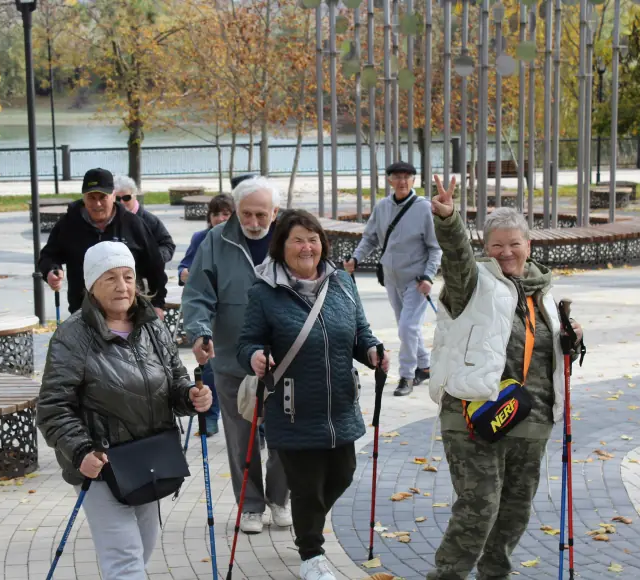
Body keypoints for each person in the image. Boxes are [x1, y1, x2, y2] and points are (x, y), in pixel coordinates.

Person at [426, 176, 583, 580]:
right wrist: (449, 220)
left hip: (531, 419)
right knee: (479, 509)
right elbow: (457, 258)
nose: (507, 252)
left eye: (515, 243)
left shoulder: (543, 293)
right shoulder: (474, 284)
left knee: (513, 514)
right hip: (474, 415)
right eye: (497, 245)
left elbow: (549, 351)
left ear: (529, 245)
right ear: (486, 249)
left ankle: (495, 575)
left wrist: (573, 339)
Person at [37, 241, 212, 580]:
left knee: (143, 548)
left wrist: (191, 396)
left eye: (128, 277)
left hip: (149, 458)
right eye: (110, 278)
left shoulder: (152, 326)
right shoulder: (72, 337)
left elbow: (174, 381)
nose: (122, 286)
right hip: (102, 464)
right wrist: (80, 451)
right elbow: (52, 407)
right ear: (91, 285)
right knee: (125, 560)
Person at [237, 209, 388, 580]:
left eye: (313, 238)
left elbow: (360, 332)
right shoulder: (264, 291)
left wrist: (372, 351)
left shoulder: (342, 283)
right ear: (281, 246)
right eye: (298, 239)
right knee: (306, 487)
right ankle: (312, 555)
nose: (307, 247)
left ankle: (309, 526)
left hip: (339, 404)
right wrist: (255, 356)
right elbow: (246, 342)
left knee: (342, 475)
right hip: (291, 407)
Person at [182, 175, 291, 534]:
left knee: (284, 435)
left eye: (262, 215)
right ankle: (250, 505)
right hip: (231, 357)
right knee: (240, 437)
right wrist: (199, 331)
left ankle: (279, 498)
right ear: (235, 210)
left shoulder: (290, 237)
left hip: (284, 358)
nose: (254, 223)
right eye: (247, 215)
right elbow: (197, 294)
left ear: (275, 212)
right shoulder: (216, 240)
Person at [345, 161, 441, 397]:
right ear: (389, 180)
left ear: (414, 181)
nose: (402, 181)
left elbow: (435, 248)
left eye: (407, 177)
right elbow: (369, 239)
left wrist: (429, 276)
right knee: (407, 327)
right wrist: (355, 259)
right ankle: (425, 366)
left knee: (408, 327)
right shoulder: (382, 207)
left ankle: (407, 376)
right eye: (397, 176)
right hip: (391, 278)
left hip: (416, 281)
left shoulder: (424, 208)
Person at [38, 168, 168, 317]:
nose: (97, 204)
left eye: (102, 197)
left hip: (130, 311)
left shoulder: (133, 224)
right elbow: (48, 256)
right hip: (83, 311)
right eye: (91, 198)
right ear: (83, 197)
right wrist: (51, 271)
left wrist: (158, 304)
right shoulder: (68, 224)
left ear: (113, 195)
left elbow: (155, 266)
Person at [176, 193, 235, 437]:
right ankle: (210, 418)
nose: (221, 218)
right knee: (209, 368)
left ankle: (258, 424)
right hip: (209, 316)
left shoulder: (239, 241)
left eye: (226, 214)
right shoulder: (202, 238)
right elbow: (184, 266)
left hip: (235, 314)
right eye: (216, 214)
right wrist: (186, 274)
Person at [112, 175, 176, 263]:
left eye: (126, 198)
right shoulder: (105, 220)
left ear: (135, 196)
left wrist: (151, 258)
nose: (122, 202)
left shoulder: (150, 221)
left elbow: (168, 245)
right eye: (117, 199)